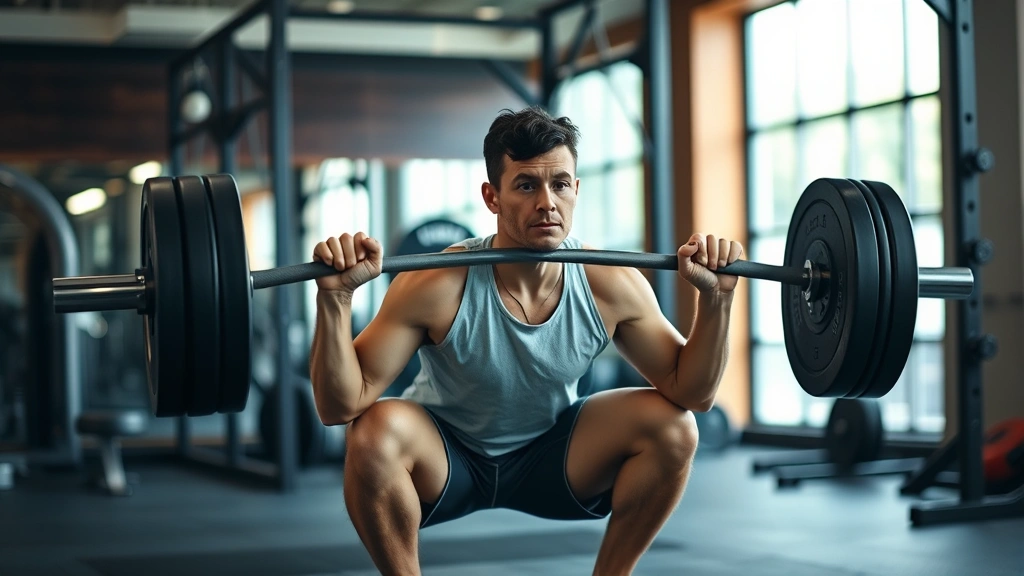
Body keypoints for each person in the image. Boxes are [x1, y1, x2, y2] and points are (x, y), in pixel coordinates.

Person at [309, 107, 743, 576]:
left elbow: (692, 393)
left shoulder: (609, 281)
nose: (547, 203)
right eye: (525, 185)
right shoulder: (437, 281)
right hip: (448, 457)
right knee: (373, 431)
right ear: (492, 196)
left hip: (554, 456)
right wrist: (336, 300)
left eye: (559, 184)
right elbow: (340, 406)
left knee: (674, 426)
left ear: (576, 190)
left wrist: (717, 301)